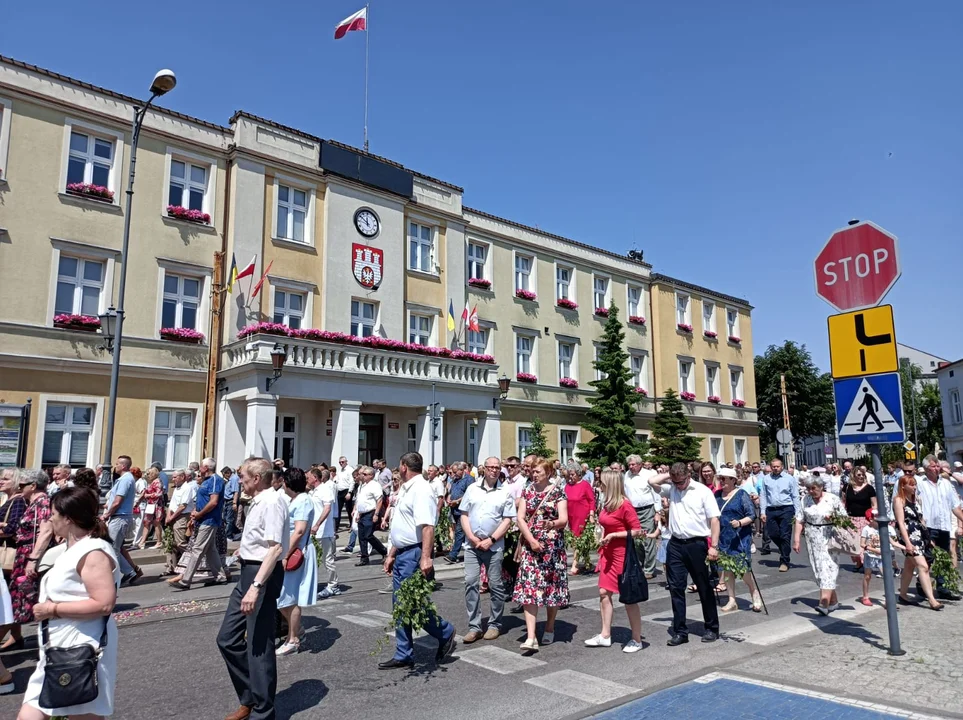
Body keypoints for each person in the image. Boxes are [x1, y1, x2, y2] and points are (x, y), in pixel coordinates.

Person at [17, 487, 120, 720]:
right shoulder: (69, 549)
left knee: (83, 714)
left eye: (53, 513)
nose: (49, 518)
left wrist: (52, 609)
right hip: (57, 646)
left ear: (68, 518)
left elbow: (104, 604)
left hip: (82, 647)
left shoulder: (93, 551)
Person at [217, 457, 289, 720]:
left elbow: (275, 548)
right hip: (249, 571)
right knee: (227, 639)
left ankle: (262, 711)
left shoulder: (271, 501)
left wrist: (256, 586)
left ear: (257, 478)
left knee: (259, 644)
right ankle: (250, 696)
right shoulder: (259, 500)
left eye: (244, 477)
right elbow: (262, 542)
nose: (240, 481)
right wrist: (243, 552)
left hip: (262, 575)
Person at [379, 452, 456, 670]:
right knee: (401, 605)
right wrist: (392, 553)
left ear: (404, 467)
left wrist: (425, 558)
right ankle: (404, 652)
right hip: (403, 552)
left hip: (413, 554)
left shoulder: (421, 490)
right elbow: (403, 524)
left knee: (410, 604)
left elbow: (427, 527)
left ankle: (445, 631)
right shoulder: (407, 488)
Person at [648, 463, 721, 645]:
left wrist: (715, 546)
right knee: (676, 588)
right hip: (676, 544)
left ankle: (711, 627)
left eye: (681, 482)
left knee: (704, 586)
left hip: (697, 543)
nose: (679, 486)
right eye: (676, 482)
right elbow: (651, 481)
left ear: (689, 476)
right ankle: (680, 631)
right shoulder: (672, 487)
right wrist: (668, 477)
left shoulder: (702, 491)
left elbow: (714, 520)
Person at [583, 469, 644, 652]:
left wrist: (615, 535)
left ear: (611, 485)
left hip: (622, 556)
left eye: (601, 483)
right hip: (608, 554)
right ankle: (605, 634)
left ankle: (636, 639)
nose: (598, 485)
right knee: (604, 592)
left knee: (628, 598)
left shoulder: (624, 504)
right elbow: (605, 524)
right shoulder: (607, 503)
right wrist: (600, 534)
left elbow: (637, 531)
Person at [513, 459, 569, 655]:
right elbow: (520, 517)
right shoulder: (527, 491)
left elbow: (564, 519)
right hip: (531, 546)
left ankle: (550, 626)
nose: (534, 474)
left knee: (551, 589)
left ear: (548, 472)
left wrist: (552, 525)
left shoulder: (557, 492)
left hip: (552, 548)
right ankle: (530, 636)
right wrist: (530, 539)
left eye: (538, 472)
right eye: (533, 471)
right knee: (530, 588)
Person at [459, 456, 516, 643]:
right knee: (471, 582)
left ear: (500, 470)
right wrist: (473, 537)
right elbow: (464, 515)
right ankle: (474, 626)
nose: (493, 470)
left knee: (496, 585)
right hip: (472, 545)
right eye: (490, 467)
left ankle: (494, 624)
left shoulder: (505, 491)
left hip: (494, 546)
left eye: (497, 467)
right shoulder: (472, 488)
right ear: (484, 468)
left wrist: (491, 539)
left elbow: (507, 519)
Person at [4, 469, 52, 651]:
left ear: (33, 486)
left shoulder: (43, 502)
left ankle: (48, 639)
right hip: (23, 553)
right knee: (18, 597)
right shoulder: (31, 502)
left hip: (29, 555)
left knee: (25, 597)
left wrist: (33, 559)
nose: (19, 487)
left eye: (22, 485)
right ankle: (17, 637)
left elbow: (46, 531)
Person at [277, 468, 316, 656]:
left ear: (287, 483)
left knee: (287, 597)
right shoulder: (296, 500)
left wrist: (285, 555)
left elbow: (299, 531)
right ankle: (295, 631)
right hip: (292, 552)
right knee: (283, 597)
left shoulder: (303, 501)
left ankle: (293, 639)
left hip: (296, 554)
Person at [173, 458, 227, 590]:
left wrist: (200, 513)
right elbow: (203, 499)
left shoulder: (215, 480)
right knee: (210, 549)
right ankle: (220, 576)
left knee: (197, 549)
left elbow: (213, 501)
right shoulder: (206, 481)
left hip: (209, 520)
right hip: (203, 519)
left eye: (201, 466)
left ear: (206, 468)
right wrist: (195, 512)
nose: (199, 469)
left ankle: (186, 580)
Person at [892, 475, 944, 610]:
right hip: (908, 535)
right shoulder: (899, 500)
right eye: (911, 485)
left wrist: (928, 538)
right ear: (903, 486)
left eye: (915, 484)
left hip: (919, 534)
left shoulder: (917, 500)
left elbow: (921, 520)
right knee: (923, 566)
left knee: (909, 566)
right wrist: (907, 543)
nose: (914, 487)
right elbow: (901, 523)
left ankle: (903, 595)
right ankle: (932, 599)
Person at [915, 455, 963, 600]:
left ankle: (943, 589)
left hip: (944, 525)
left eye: (937, 466)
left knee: (944, 558)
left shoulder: (946, 484)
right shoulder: (920, 484)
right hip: (928, 526)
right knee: (929, 557)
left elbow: (955, 506)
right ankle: (921, 583)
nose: (936, 469)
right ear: (926, 468)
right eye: (933, 466)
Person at [792, 477, 842, 614]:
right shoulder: (805, 500)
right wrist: (796, 539)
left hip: (830, 537)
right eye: (808, 488)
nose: (811, 491)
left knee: (828, 568)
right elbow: (799, 520)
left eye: (813, 488)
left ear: (821, 487)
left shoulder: (832, 499)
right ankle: (833, 601)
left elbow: (844, 518)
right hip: (812, 537)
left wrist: (833, 518)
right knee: (819, 569)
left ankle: (824, 603)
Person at [716, 468, 762, 613]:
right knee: (727, 569)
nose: (721, 481)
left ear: (733, 480)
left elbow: (752, 515)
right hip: (723, 537)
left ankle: (754, 591)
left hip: (740, 537)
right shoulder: (716, 495)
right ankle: (732, 600)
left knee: (743, 569)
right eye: (720, 478)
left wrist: (740, 522)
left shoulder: (741, 494)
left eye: (724, 478)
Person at [101, 455, 140, 586]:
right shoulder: (125, 479)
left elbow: (118, 501)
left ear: (123, 466)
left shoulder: (125, 480)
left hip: (120, 517)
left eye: (117, 464)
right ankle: (129, 571)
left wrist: (107, 514)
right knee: (114, 548)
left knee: (113, 549)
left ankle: (115, 578)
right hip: (119, 517)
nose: (114, 466)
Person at [760, 458, 800, 572]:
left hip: (786, 508)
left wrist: (798, 513)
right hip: (771, 509)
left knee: (785, 535)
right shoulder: (766, 479)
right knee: (772, 534)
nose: (775, 468)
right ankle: (784, 549)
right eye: (773, 466)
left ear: (782, 467)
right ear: (770, 467)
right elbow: (763, 495)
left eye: (777, 466)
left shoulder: (789, 479)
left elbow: (795, 496)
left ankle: (784, 561)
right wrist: (762, 511)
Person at [623, 454, 658, 580]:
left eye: (633, 464)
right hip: (632, 511)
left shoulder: (648, 475)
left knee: (648, 539)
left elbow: (656, 493)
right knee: (637, 539)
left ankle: (649, 568)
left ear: (640, 464)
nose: (631, 467)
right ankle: (640, 563)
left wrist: (658, 512)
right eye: (629, 465)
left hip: (647, 509)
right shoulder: (627, 475)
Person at [859, 509, 904, 607]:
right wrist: (874, 550)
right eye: (876, 516)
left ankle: (889, 600)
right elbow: (862, 544)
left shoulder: (883, 528)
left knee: (887, 576)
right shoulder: (866, 529)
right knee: (867, 576)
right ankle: (865, 596)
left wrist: (905, 547)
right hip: (870, 556)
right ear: (871, 519)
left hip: (881, 557)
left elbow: (892, 542)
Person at [309, 467, 340, 599]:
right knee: (313, 560)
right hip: (314, 532)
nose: (307, 479)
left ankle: (333, 585)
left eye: (308, 477)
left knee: (327, 559)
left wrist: (317, 524)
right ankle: (312, 585)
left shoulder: (325, 490)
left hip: (323, 531)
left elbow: (327, 509)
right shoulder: (313, 491)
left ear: (315, 478)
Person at [842, 466, 877, 572]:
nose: (861, 477)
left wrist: (873, 517)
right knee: (852, 543)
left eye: (863, 475)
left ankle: (866, 563)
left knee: (863, 543)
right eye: (859, 475)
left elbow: (874, 504)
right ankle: (858, 562)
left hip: (864, 519)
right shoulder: (847, 487)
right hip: (851, 519)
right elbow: (843, 502)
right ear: (853, 476)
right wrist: (841, 515)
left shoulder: (869, 488)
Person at [564, 463, 596, 575]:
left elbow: (592, 500)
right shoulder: (567, 486)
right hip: (571, 516)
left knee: (578, 540)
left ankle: (575, 565)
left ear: (578, 474)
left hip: (583, 516)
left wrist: (591, 515)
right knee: (577, 541)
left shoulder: (585, 485)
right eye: (569, 475)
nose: (570, 477)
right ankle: (587, 563)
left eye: (572, 474)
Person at [354, 466, 388, 566]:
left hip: (370, 513)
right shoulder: (363, 485)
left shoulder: (374, 485)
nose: (363, 476)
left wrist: (376, 514)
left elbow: (379, 500)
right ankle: (364, 558)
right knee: (361, 537)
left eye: (365, 474)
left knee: (368, 535)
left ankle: (384, 551)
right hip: (362, 514)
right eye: (362, 474)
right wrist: (358, 513)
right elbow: (361, 500)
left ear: (371, 475)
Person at [164, 469, 194, 578]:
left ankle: (195, 559)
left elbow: (183, 505)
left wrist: (172, 517)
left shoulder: (187, 488)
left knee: (180, 542)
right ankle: (172, 566)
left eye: (175, 477)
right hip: (173, 516)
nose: (173, 479)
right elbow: (171, 504)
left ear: (182, 477)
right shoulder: (176, 488)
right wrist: (168, 516)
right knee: (170, 543)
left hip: (182, 516)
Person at [444, 462, 472, 564]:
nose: (454, 474)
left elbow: (469, 495)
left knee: (460, 532)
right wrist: (449, 498)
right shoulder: (454, 480)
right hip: (454, 510)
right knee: (459, 532)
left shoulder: (469, 480)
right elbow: (451, 492)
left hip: (463, 511)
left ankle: (453, 555)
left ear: (462, 470)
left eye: (455, 472)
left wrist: (457, 501)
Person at [136, 467, 164, 550]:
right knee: (146, 522)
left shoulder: (157, 482)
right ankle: (142, 542)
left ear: (153, 474)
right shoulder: (151, 482)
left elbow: (159, 494)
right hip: (150, 505)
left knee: (156, 523)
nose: (147, 475)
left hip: (156, 506)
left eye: (148, 474)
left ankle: (159, 542)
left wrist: (147, 496)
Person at [334, 456, 356, 531]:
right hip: (340, 491)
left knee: (349, 509)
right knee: (338, 509)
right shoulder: (340, 471)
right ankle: (336, 527)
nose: (341, 463)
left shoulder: (350, 470)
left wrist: (349, 492)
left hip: (347, 491)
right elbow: (337, 480)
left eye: (342, 462)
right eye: (339, 462)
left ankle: (352, 525)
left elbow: (352, 482)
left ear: (346, 462)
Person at [222, 466, 241, 541]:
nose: (224, 476)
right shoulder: (229, 480)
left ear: (228, 473)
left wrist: (234, 503)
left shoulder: (234, 479)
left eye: (224, 474)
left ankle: (229, 536)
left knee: (229, 519)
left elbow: (235, 492)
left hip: (231, 501)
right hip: (226, 501)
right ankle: (236, 532)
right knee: (226, 518)